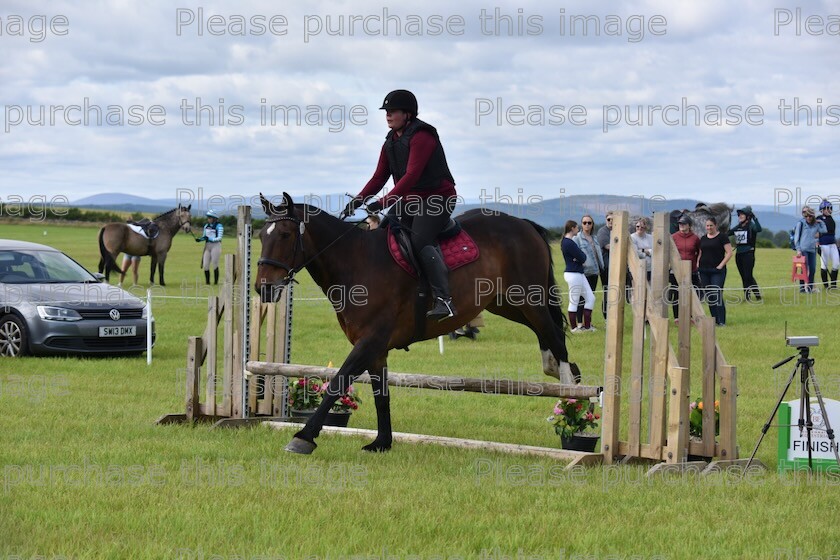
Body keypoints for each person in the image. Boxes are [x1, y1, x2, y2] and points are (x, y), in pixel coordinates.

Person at [341, 89, 457, 321]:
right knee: (384, 234)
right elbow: (378, 178)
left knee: (419, 240)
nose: (388, 115)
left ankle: (445, 300)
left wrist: (382, 202)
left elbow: (412, 176)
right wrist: (358, 201)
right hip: (410, 201)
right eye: (386, 111)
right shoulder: (391, 141)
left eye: (392, 111)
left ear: (408, 114)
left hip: (437, 199)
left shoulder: (423, 136)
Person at [561, 220, 595, 332]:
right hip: (574, 274)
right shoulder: (569, 243)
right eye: (577, 227)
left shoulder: (567, 242)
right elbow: (583, 257)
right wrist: (579, 258)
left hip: (578, 273)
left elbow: (580, 257)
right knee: (574, 301)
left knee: (590, 298)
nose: (578, 229)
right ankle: (574, 328)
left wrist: (578, 258)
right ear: (572, 228)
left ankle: (587, 326)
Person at [698, 217, 733, 326]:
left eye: (711, 225)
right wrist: (698, 263)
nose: (709, 228)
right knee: (709, 296)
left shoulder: (722, 237)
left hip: (717, 271)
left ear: (715, 225)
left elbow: (729, 252)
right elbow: (700, 252)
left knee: (717, 294)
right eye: (707, 226)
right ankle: (714, 320)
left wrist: (720, 265)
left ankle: (721, 320)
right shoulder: (703, 238)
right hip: (704, 270)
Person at [727, 206, 763, 301]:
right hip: (739, 254)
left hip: (748, 254)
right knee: (743, 276)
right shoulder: (739, 226)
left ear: (747, 216)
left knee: (748, 276)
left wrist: (755, 218)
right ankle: (747, 297)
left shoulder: (751, 225)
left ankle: (757, 296)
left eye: (742, 214)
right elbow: (729, 233)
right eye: (739, 215)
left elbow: (759, 229)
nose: (740, 216)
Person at [573, 214, 604, 325]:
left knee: (590, 298)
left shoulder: (594, 238)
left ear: (592, 225)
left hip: (595, 272)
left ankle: (588, 322)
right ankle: (580, 323)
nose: (587, 225)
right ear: (581, 224)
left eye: (589, 223)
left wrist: (601, 267)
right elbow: (574, 255)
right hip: (584, 272)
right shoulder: (577, 238)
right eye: (584, 222)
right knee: (582, 298)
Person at [669, 214, 701, 321]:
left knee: (691, 294)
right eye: (680, 224)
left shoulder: (695, 238)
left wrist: (697, 263)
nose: (681, 225)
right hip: (676, 270)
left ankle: (691, 316)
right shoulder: (673, 237)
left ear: (689, 225)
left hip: (691, 270)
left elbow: (699, 251)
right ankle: (677, 317)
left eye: (684, 224)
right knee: (676, 294)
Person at [793, 205, 827, 293]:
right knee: (804, 269)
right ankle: (803, 288)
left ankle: (810, 288)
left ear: (813, 217)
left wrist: (821, 222)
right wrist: (798, 249)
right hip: (803, 249)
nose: (808, 217)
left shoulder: (816, 224)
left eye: (810, 216)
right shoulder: (801, 223)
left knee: (812, 269)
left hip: (812, 249)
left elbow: (824, 231)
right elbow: (796, 238)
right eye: (806, 216)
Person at [196, 209, 224, 285]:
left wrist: (210, 239)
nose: (208, 219)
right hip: (207, 246)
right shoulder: (206, 226)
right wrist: (200, 239)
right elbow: (204, 236)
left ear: (214, 218)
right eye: (208, 217)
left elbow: (219, 238)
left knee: (215, 264)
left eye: (210, 217)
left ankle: (215, 282)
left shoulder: (219, 226)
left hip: (216, 246)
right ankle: (207, 282)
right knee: (205, 265)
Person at [595, 211, 614, 317]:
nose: (611, 221)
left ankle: (614, 315)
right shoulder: (603, 231)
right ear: (606, 220)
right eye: (609, 219)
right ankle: (606, 316)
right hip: (606, 267)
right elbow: (608, 246)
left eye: (613, 219)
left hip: (617, 267)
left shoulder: (618, 230)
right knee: (607, 292)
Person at [816, 199, 838, 290]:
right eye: (827, 209)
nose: (829, 210)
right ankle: (826, 286)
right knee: (824, 265)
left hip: (832, 244)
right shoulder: (819, 219)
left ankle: (833, 285)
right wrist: (816, 243)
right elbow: (815, 231)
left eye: (830, 208)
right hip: (823, 245)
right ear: (822, 210)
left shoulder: (831, 219)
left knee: (836, 264)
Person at [630, 217, 653, 282]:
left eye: (642, 227)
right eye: (638, 226)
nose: (639, 228)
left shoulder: (650, 237)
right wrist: (645, 251)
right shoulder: (632, 237)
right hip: (637, 267)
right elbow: (635, 252)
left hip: (649, 267)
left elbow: (655, 251)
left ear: (645, 228)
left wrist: (645, 251)